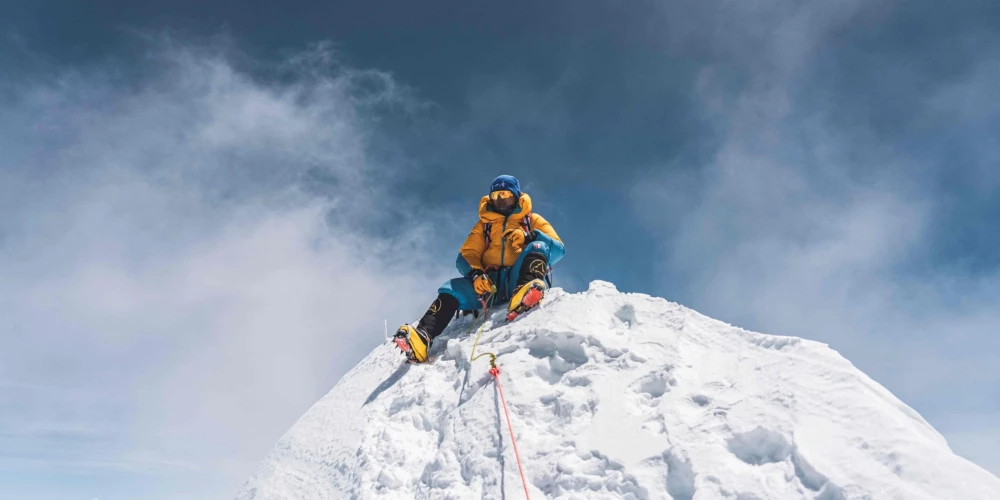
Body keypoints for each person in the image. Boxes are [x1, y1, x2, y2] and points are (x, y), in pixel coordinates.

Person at [394, 175, 566, 362]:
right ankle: (422, 336)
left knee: (538, 246)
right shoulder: (484, 225)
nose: (500, 200)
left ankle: (525, 292)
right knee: (451, 288)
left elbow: (557, 249)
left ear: (516, 196)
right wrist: (476, 274)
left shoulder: (531, 220)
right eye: (496, 196)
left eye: (505, 194)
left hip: (518, 278)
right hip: (488, 286)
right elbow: (467, 255)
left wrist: (529, 237)